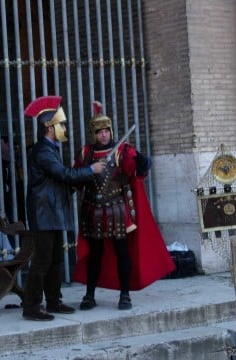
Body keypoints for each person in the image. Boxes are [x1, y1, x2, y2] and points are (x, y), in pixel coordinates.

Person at [73, 101, 175, 310]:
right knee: (95, 255)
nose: (104, 135)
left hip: (117, 210)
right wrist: (87, 172)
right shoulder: (85, 153)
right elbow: (76, 176)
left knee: (122, 253)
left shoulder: (122, 151)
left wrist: (141, 161)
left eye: (106, 131)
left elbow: (134, 170)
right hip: (93, 210)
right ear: (94, 133)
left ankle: (125, 294)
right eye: (100, 132)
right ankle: (90, 295)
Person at [22, 95, 106, 321]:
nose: (65, 128)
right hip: (44, 213)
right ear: (50, 127)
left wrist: (77, 180)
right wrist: (90, 170)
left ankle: (53, 300)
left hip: (53, 211)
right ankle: (31, 305)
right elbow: (63, 175)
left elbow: (59, 181)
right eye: (62, 124)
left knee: (56, 259)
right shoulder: (43, 151)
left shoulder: (51, 149)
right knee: (42, 260)